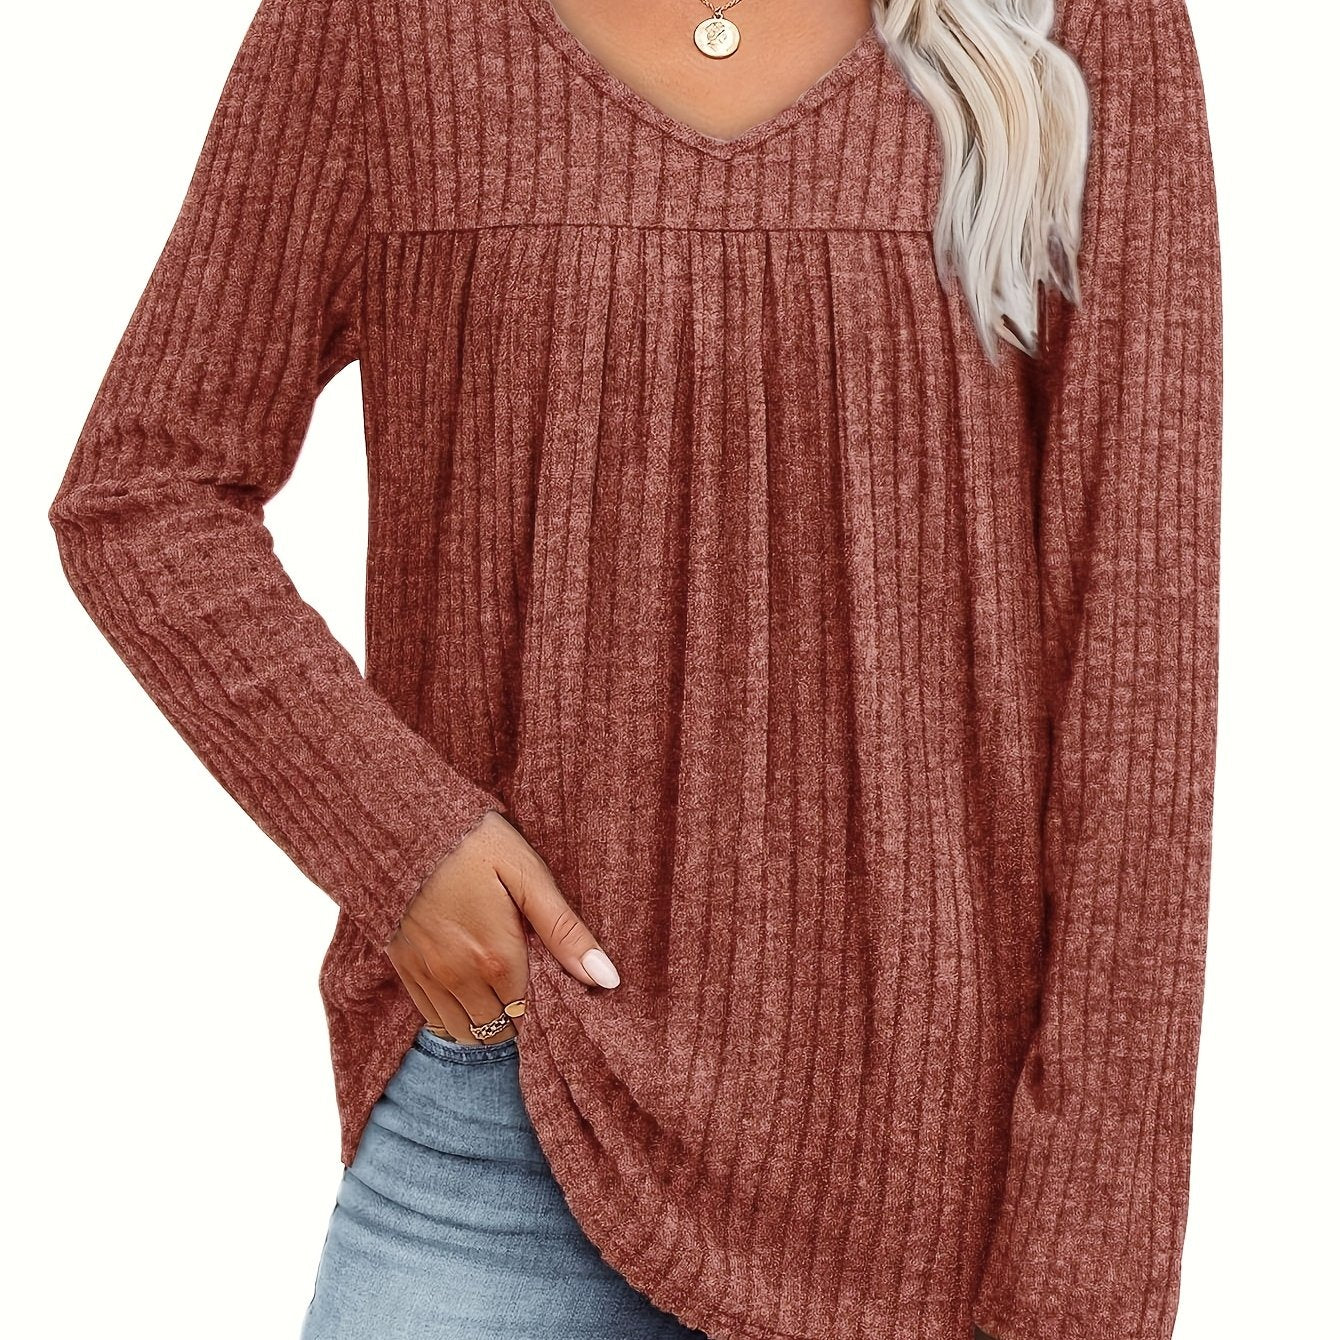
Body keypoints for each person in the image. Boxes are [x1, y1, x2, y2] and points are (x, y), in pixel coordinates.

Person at [46, 0, 1222, 1337]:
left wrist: (1085, 1285)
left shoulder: (1080, 21)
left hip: (932, 1200)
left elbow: (1138, 674)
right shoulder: (377, 28)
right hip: (504, 1118)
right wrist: (401, 840)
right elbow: (145, 493)